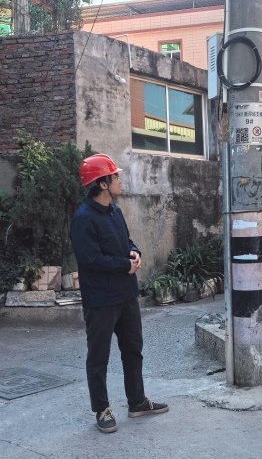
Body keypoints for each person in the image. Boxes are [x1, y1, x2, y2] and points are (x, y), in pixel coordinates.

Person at [70, 153, 169, 434]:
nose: (119, 180)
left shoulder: (114, 210)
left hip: (126, 295)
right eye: (115, 176)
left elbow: (126, 240)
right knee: (98, 357)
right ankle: (101, 409)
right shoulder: (83, 219)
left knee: (133, 350)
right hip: (101, 300)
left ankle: (137, 401)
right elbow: (91, 259)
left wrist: (134, 252)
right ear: (102, 184)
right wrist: (124, 265)